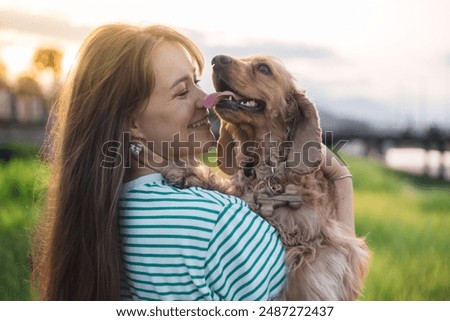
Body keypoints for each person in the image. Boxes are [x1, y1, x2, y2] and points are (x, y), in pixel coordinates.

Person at [31, 23, 354, 301]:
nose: (206, 100)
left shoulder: (101, 204)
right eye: (182, 91)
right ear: (131, 123)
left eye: (197, 82)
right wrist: (341, 180)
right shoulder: (218, 221)